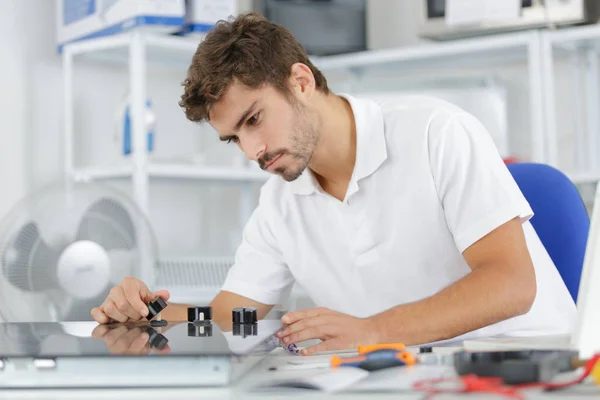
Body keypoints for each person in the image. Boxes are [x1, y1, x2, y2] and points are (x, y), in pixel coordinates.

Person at [91, 12, 577, 356]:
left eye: (255, 119)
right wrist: (149, 314)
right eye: (234, 138)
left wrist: (374, 330)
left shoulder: (437, 132)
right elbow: (232, 314)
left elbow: (512, 285)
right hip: (403, 372)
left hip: (525, 366)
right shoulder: (280, 202)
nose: (252, 151)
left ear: (300, 81)